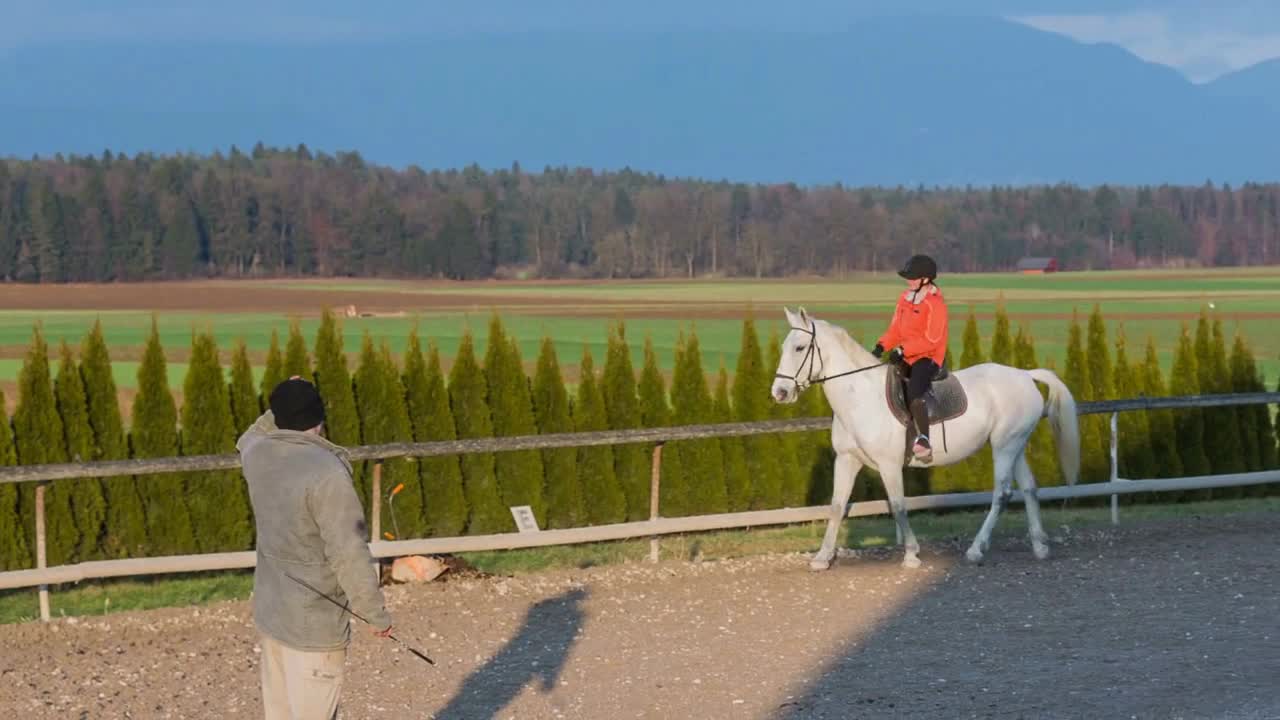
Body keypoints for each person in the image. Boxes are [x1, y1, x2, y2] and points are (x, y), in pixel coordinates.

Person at [236, 376, 393, 720]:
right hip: (315, 629)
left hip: (272, 615)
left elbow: (249, 434)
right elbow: (348, 551)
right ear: (319, 420)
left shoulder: (256, 452)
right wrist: (374, 613)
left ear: (278, 418)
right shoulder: (328, 473)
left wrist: (283, 399)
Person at [871, 254, 950, 463]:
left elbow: (932, 340)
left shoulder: (935, 304)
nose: (909, 280)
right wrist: (881, 346)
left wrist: (903, 350)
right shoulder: (904, 299)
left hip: (929, 358)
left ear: (926, 279)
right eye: (908, 277)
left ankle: (923, 439)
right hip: (907, 354)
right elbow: (895, 330)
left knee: (915, 390)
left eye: (913, 277)